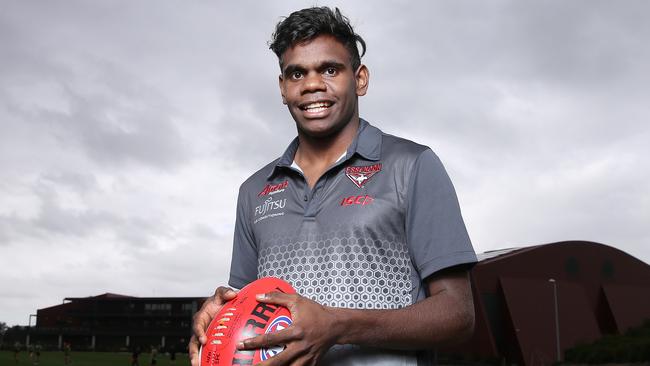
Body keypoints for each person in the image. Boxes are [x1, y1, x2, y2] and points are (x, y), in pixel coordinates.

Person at [189, 6, 477, 366]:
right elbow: (246, 307)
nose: (312, 84)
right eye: (296, 73)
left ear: (360, 79)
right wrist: (218, 317)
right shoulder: (254, 190)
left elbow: (459, 316)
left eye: (329, 69)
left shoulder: (413, 166)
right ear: (282, 88)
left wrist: (338, 326)